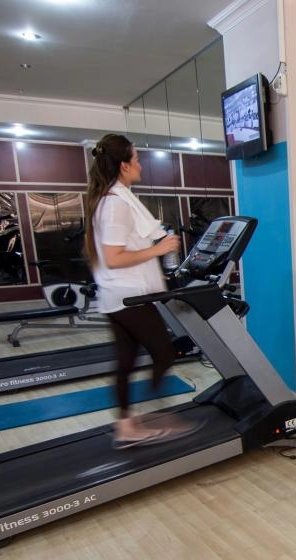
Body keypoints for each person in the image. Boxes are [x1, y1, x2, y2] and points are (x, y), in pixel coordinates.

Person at [83, 134, 200, 449]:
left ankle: (126, 426)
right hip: (128, 296)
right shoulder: (116, 204)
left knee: (126, 360)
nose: (140, 165)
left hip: (115, 295)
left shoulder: (107, 199)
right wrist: (159, 249)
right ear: (124, 166)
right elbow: (113, 257)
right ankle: (155, 414)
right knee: (165, 354)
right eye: (136, 160)